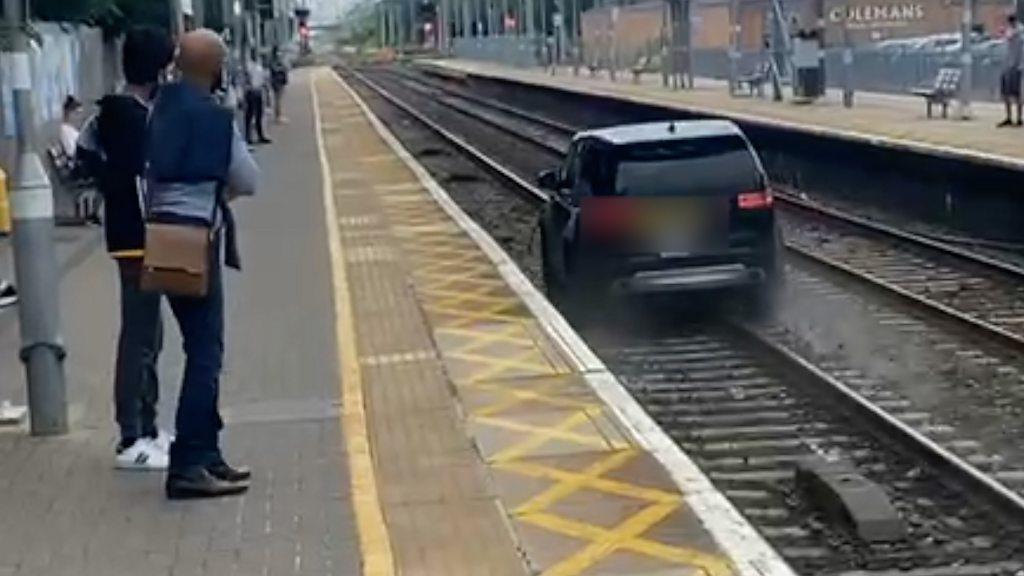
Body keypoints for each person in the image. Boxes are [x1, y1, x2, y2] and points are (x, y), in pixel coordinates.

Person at [146, 29, 258, 499]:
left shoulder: (160, 107)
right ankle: (190, 463)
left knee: (198, 349)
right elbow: (248, 179)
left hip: (161, 238)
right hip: (196, 243)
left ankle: (207, 455)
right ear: (215, 67)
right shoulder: (214, 118)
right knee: (205, 354)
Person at [77, 27, 176, 470]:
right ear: (157, 69)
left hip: (134, 236)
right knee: (139, 337)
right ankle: (130, 437)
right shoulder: (131, 120)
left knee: (149, 335)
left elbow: (86, 155)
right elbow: (140, 181)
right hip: (138, 239)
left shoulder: (117, 114)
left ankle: (149, 428)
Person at [999, 14, 1024, 127]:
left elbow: (1009, 35)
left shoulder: (1019, 32)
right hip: (1007, 66)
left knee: (1016, 94)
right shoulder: (1012, 32)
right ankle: (1009, 117)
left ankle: (1019, 118)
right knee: (1006, 94)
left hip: (1015, 66)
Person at [243, 51, 271, 144]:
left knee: (259, 114)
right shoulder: (248, 66)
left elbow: (263, 79)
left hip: (258, 91)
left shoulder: (259, 66)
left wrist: (265, 89)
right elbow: (246, 78)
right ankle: (248, 137)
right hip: (251, 91)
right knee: (249, 115)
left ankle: (260, 135)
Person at [269, 46, 289, 124]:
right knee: (277, 100)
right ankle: (278, 117)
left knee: (278, 99)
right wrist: (282, 68)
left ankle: (278, 116)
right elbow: (275, 69)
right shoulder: (273, 60)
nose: (279, 53)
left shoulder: (278, 59)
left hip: (280, 81)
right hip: (276, 82)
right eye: (278, 51)